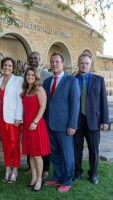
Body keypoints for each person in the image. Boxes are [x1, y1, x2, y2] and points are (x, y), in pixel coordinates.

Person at [43, 52, 80, 193]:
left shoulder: (71, 81)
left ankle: (67, 181)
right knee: (55, 154)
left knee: (67, 154)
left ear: (63, 64)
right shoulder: (47, 82)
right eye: (52, 61)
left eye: (57, 61)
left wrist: (72, 124)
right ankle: (57, 177)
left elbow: (75, 104)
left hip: (65, 126)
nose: (54, 64)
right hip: (50, 124)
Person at [73, 53, 109, 184]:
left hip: (93, 120)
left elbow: (103, 101)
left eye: (87, 63)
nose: (84, 65)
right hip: (76, 120)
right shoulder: (71, 79)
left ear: (90, 64)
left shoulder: (98, 80)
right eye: (82, 63)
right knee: (77, 149)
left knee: (94, 149)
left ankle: (93, 174)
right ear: (78, 64)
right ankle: (77, 173)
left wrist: (105, 120)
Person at [21, 67, 51, 191]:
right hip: (27, 125)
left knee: (37, 154)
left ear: (36, 77)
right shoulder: (25, 90)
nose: (30, 77)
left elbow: (43, 106)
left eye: (32, 75)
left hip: (36, 125)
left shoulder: (39, 89)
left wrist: (35, 121)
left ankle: (39, 179)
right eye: (28, 75)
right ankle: (33, 177)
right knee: (31, 154)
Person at [0, 57, 23, 183]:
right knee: (6, 145)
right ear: (1, 67)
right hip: (0, 117)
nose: (7, 67)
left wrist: (18, 117)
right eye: (5, 65)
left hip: (13, 119)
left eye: (10, 65)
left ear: (13, 68)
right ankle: (7, 169)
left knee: (14, 144)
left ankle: (15, 170)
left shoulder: (18, 80)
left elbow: (20, 100)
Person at [27, 51, 52, 179]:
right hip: (28, 119)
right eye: (30, 58)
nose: (33, 60)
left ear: (39, 59)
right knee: (31, 149)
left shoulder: (47, 75)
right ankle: (32, 172)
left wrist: (36, 121)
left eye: (35, 58)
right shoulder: (24, 79)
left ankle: (44, 170)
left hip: (41, 117)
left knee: (41, 147)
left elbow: (43, 104)